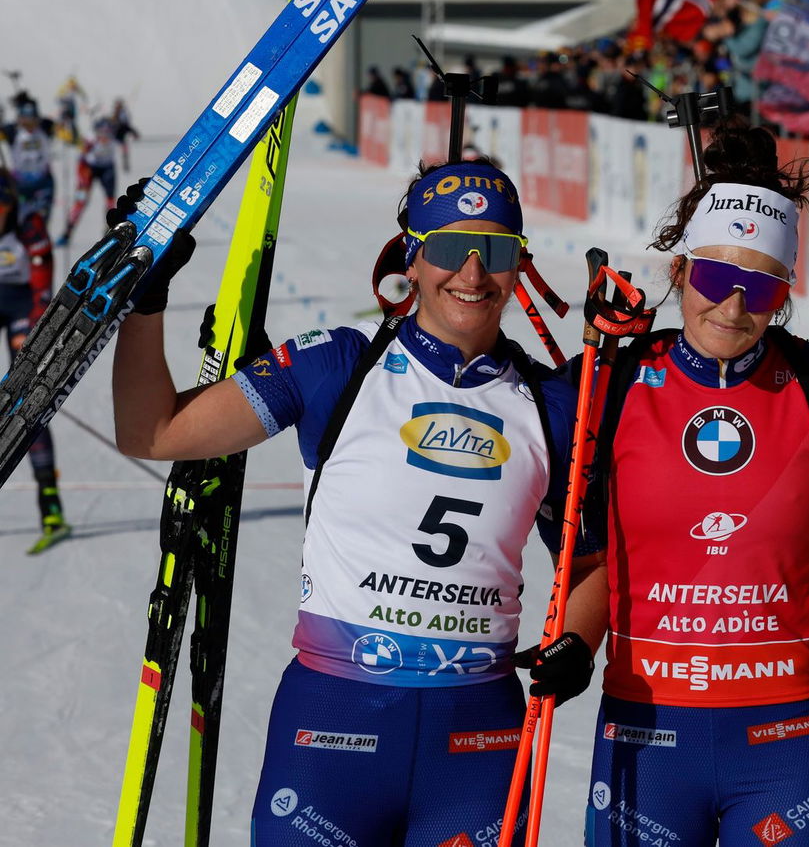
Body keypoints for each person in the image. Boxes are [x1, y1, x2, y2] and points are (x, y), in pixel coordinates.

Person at [110, 160, 593, 844]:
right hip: (332, 729)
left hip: (479, 741)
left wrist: (577, 640)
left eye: (500, 252)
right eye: (452, 249)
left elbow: (590, 562)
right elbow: (153, 432)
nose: (475, 274)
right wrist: (146, 299)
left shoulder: (553, 406)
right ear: (414, 257)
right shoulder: (338, 364)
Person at [545, 124, 809, 847]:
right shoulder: (612, 383)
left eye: (760, 285)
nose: (733, 305)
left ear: (784, 293)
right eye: (713, 276)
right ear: (678, 272)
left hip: (783, 734)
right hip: (647, 727)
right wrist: (575, 640)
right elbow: (508, 441)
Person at [0, 167, 66, 550]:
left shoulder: (29, 225)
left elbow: (44, 291)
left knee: (26, 403)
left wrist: (33, 345)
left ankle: (50, 503)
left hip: (22, 304)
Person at [58, 116, 119, 247]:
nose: (104, 137)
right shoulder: (90, 138)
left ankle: (109, 231)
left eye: (107, 133)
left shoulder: (113, 136)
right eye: (101, 133)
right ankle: (67, 232)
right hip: (88, 168)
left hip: (107, 168)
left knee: (110, 200)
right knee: (81, 200)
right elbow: (80, 152)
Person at [3, 102, 58, 234]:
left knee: (41, 221)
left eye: (32, 119)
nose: (29, 124)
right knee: (20, 222)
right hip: (20, 183)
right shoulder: (13, 131)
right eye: (25, 119)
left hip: (42, 181)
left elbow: (56, 125)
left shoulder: (44, 128)